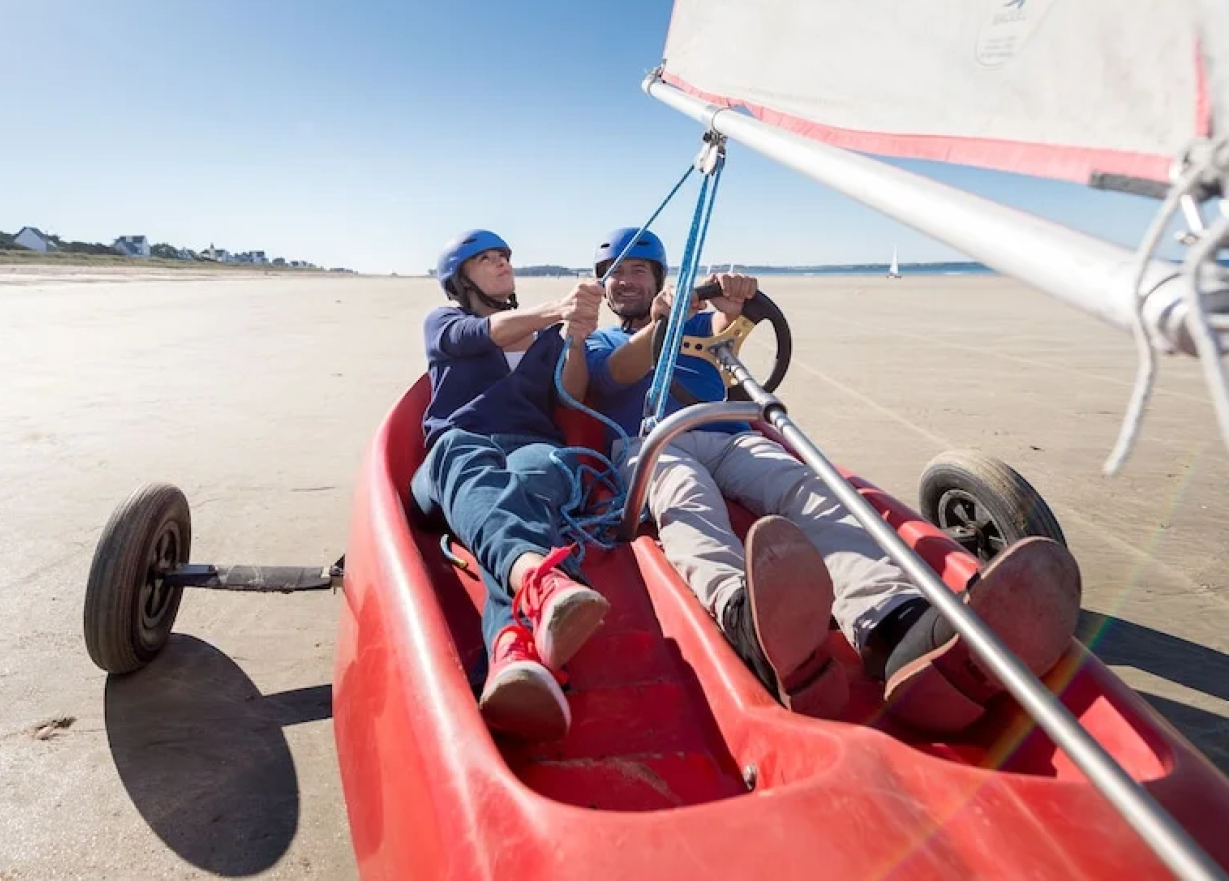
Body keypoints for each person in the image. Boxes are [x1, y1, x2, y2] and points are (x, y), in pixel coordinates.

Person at [582, 227, 1082, 731]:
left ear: (657, 278)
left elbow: (723, 319)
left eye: (637, 270)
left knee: (806, 489)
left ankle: (895, 623)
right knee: (686, 498)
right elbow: (611, 376)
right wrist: (661, 325)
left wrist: (734, 302)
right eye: (616, 273)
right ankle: (742, 616)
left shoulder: (697, 320)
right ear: (605, 286)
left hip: (730, 433)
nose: (626, 281)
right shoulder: (600, 342)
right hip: (651, 444)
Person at [410, 229, 612, 741]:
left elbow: (572, 394)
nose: (502, 264)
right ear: (461, 277)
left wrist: (576, 339)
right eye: (486, 259)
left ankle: (510, 652)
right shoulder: (446, 322)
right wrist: (556, 310)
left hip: (526, 445)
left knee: (541, 471)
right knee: (466, 451)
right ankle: (540, 583)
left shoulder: (545, 337)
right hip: (450, 461)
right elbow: (485, 335)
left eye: (504, 257)